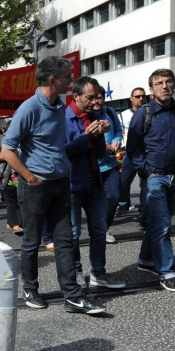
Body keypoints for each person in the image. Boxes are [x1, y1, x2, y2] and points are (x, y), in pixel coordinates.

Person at [1, 56, 105, 314]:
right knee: (32, 241)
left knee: (65, 240)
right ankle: (31, 289)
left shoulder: (59, 106)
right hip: (36, 186)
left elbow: (59, 147)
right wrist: (30, 178)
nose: (72, 79)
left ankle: (72, 296)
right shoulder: (29, 108)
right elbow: (7, 149)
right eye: (68, 76)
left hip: (61, 184)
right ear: (52, 80)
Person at [126, 69, 175, 293]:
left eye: (168, 82)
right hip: (155, 178)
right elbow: (133, 148)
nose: (164, 86)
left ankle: (146, 260)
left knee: (158, 225)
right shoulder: (143, 113)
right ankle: (167, 272)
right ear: (151, 89)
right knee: (163, 225)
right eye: (159, 83)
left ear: (173, 84)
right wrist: (147, 172)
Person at [65, 77, 124, 290]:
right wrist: (85, 137)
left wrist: (100, 137)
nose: (94, 102)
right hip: (71, 184)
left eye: (96, 97)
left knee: (99, 230)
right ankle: (76, 272)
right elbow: (61, 153)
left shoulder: (97, 116)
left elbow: (99, 154)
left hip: (94, 181)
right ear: (76, 97)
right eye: (89, 98)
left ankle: (99, 273)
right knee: (73, 233)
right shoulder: (63, 119)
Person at [93, 87, 123, 243]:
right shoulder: (86, 114)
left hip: (110, 163)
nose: (97, 101)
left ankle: (104, 228)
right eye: (94, 97)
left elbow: (118, 130)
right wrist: (101, 144)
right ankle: (97, 229)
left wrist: (116, 140)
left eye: (100, 97)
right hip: (93, 166)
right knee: (94, 201)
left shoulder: (110, 112)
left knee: (113, 196)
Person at [117, 87, 146, 215]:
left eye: (143, 96)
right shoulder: (123, 115)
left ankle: (144, 208)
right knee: (124, 181)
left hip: (145, 153)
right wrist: (121, 148)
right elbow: (120, 133)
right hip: (129, 153)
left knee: (145, 182)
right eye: (138, 96)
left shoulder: (148, 113)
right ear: (131, 98)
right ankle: (124, 203)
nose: (141, 99)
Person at [0, 128, 23, 234]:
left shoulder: (26, 138)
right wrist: (8, 157)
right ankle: (16, 224)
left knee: (21, 199)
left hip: (23, 174)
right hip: (8, 175)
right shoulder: (2, 139)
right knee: (11, 198)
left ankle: (12, 221)